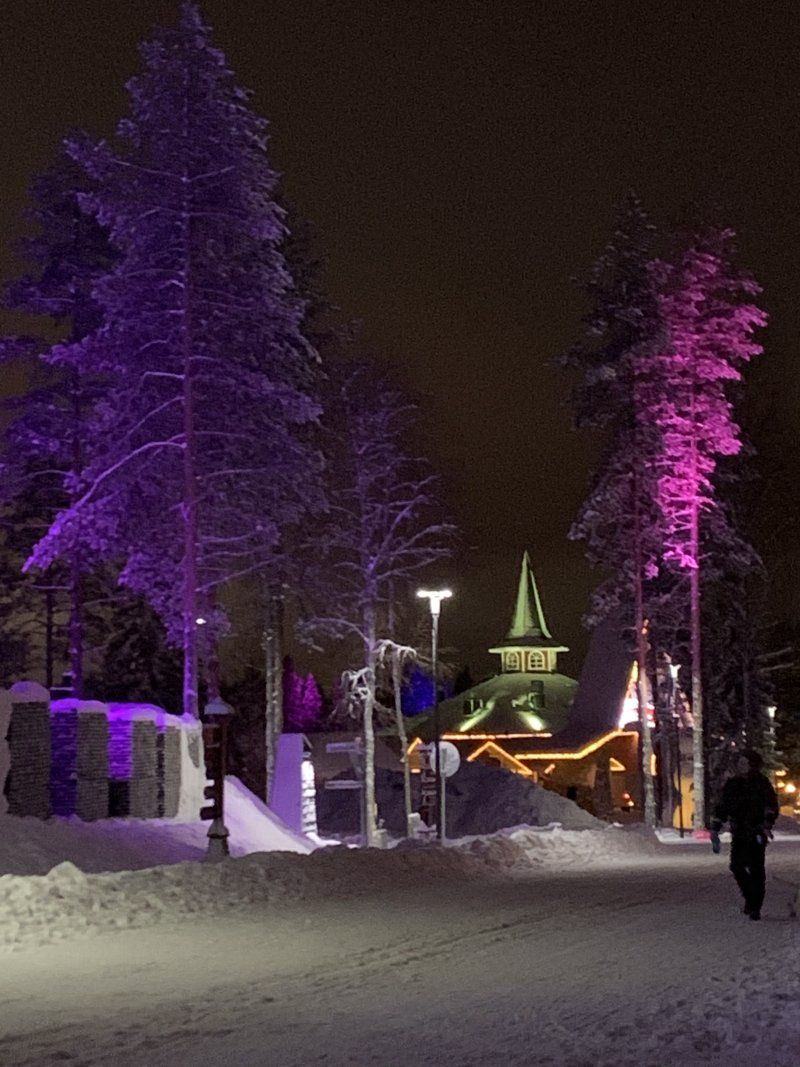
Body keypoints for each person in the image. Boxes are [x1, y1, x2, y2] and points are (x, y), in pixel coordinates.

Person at [710, 750, 779, 921]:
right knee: (736, 866)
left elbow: (771, 805)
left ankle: (755, 906)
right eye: (740, 763)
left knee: (756, 868)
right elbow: (723, 806)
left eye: (745, 763)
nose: (741, 766)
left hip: (756, 831)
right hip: (739, 831)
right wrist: (716, 825)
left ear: (752, 765)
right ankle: (750, 896)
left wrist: (767, 822)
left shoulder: (761, 783)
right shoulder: (733, 784)